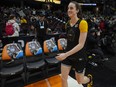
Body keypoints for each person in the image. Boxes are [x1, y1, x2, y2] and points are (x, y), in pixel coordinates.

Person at [55, 1, 93, 87]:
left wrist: (65, 54)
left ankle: (89, 79)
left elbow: (81, 44)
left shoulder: (83, 23)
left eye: (71, 8)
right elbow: (70, 40)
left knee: (79, 81)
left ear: (77, 10)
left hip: (79, 56)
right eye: (68, 8)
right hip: (68, 55)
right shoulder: (67, 24)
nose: (69, 10)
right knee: (63, 78)